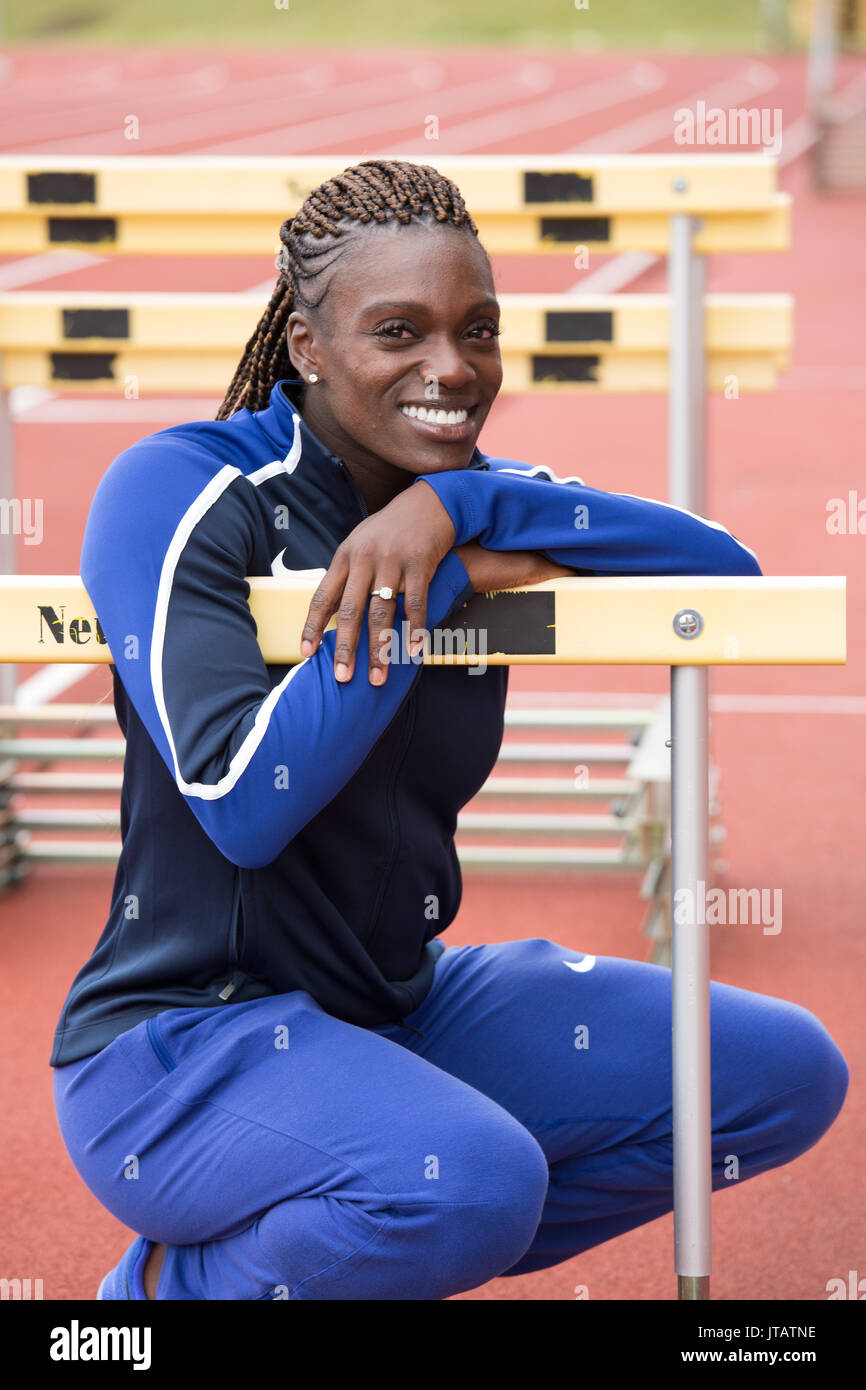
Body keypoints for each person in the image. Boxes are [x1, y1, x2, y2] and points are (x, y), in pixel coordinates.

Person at [51, 159, 847, 1301]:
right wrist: (429, 589)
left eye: (477, 329)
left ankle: (311, 1251)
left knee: (777, 1074)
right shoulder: (183, 488)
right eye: (397, 332)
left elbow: (728, 573)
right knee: (467, 1184)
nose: (451, 369)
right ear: (306, 346)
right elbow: (242, 803)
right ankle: (170, 1298)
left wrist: (459, 509)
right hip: (182, 1048)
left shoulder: (473, 489)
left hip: (391, 1010)